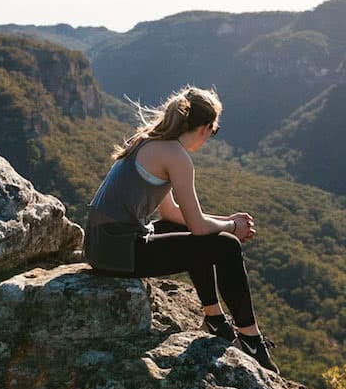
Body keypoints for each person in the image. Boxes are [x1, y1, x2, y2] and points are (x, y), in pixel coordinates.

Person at [83, 86, 278, 373]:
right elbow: (198, 227)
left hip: (103, 245)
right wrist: (232, 227)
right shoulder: (176, 156)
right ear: (204, 128)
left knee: (194, 230)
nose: (211, 136)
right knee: (226, 245)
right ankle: (250, 338)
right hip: (119, 250)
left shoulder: (150, 141)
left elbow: (173, 214)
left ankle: (214, 318)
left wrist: (226, 222)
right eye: (214, 130)